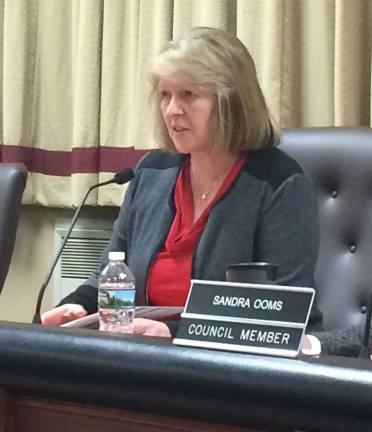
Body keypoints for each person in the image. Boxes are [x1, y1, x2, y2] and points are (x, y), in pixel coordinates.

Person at [42, 27, 322, 345]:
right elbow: (111, 271)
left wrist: (173, 334)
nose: (173, 109)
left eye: (188, 94)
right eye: (165, 95)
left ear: (230, 101)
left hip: (234, 374)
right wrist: (78, 306)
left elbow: (278, 315)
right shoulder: (151, 172)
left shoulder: (278, 184)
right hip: (147, 359)